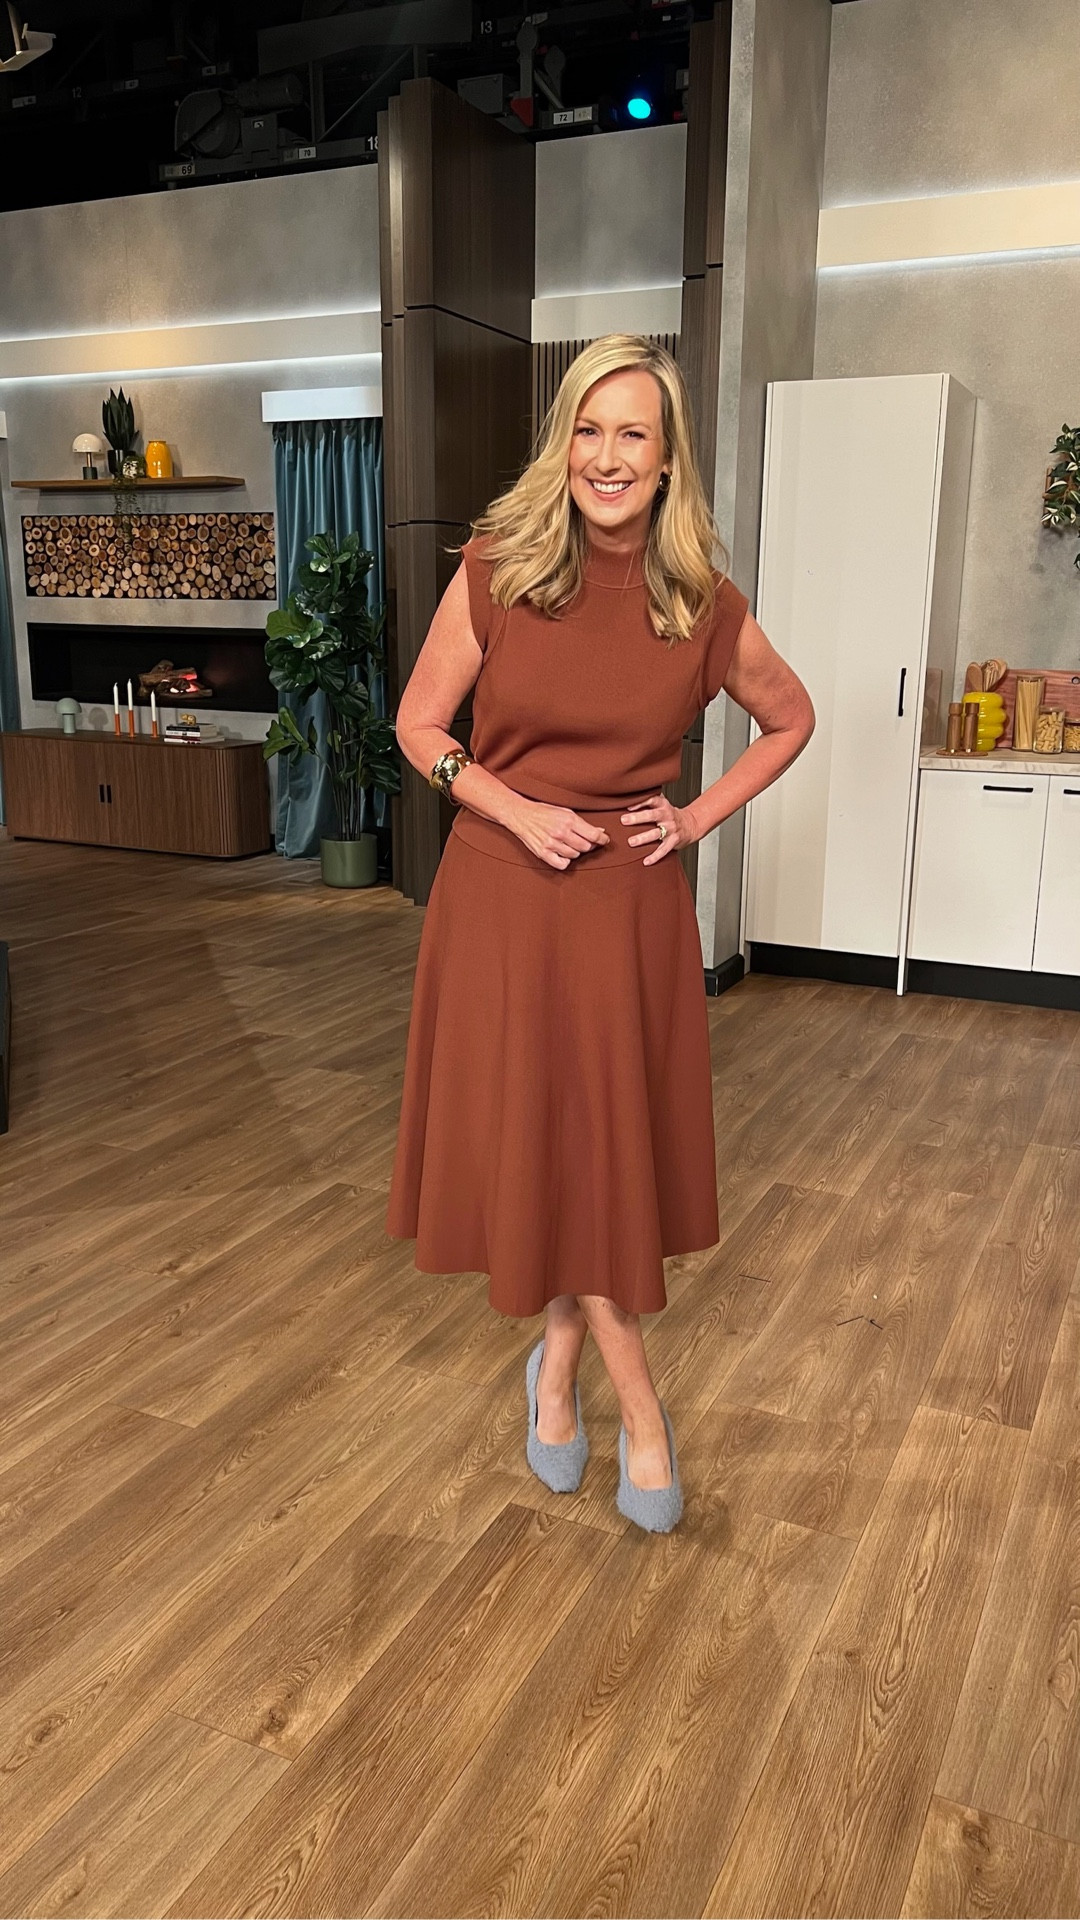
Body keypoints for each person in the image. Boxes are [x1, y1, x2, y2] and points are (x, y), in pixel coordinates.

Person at [386, 333, 814, 1532]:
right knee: (552, 1147)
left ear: (668, 460)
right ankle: (638, 1405)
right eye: (588, 429)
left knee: (595, 1154)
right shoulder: (500, 571)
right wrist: (513, 806)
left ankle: (557, 1370)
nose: (608, 456)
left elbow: (791, 719)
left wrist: (695, 817)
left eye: (634, 434)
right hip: (502, 901)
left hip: (628, 908)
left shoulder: (701, 603)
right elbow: (421, 727)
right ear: (562, 443)